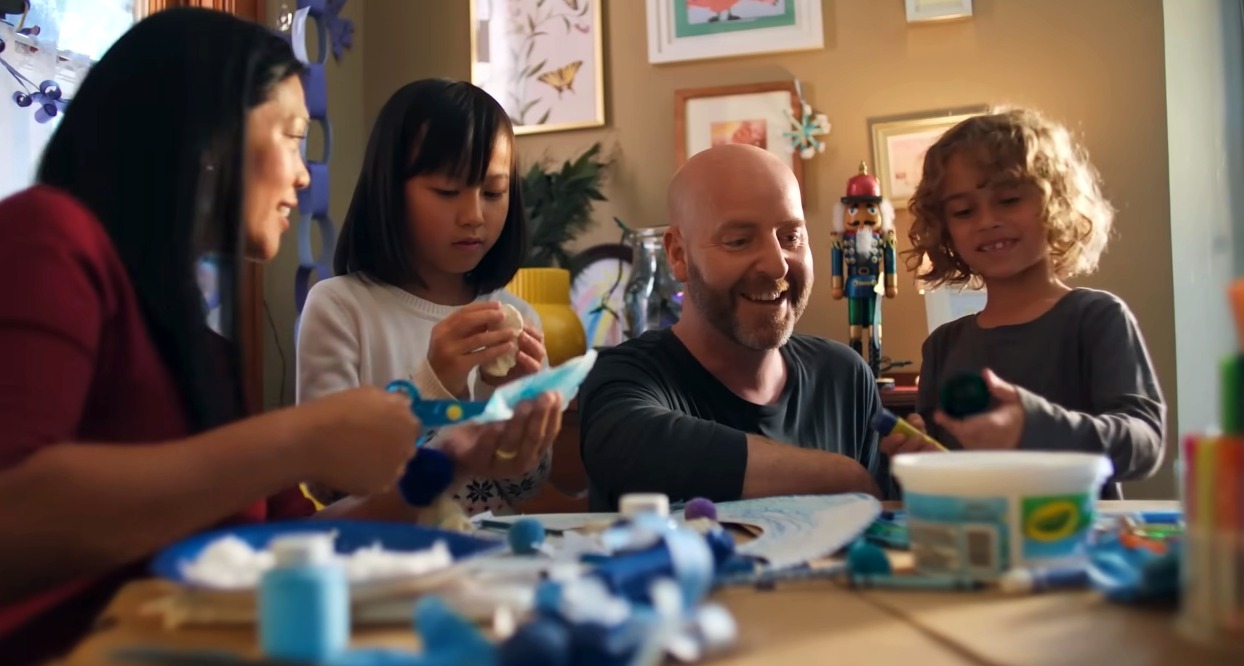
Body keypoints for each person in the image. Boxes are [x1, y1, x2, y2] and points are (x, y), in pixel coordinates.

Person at [0, 10, 514, 662]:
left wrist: (448, 462)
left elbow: (295, 541)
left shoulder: (200, 349)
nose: (304, 175)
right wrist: (301, 438)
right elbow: (15, 509)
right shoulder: (50, 235)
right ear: (208, 141)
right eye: (293, 137)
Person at [296, 78, 559, 516]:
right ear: (390, 190)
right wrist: (435, 385)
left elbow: (525, 488)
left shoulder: (517, 314)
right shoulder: (341, 309)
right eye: (447, 192)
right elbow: (331, 483)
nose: (474, 215)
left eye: (493, 193)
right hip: (386, 564)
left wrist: (517, 416)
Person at [578, 144, 888, 512]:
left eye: (791, 237)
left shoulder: (844, 376)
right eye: (739, 241)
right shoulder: (624, 376)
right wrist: (842, 478)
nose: (777, 266)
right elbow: (631, 447)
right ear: (679, 254)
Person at [881, 107, 1165, 499]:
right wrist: (918, 458)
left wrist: (1035, 427)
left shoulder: (1097, 317)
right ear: (946, 229)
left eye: (1009, 199)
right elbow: (940, 469)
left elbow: (1145, 444)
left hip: (1071, 543)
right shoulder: (943, 345)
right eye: (964, 211)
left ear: (1055, 203)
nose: (987, 220)